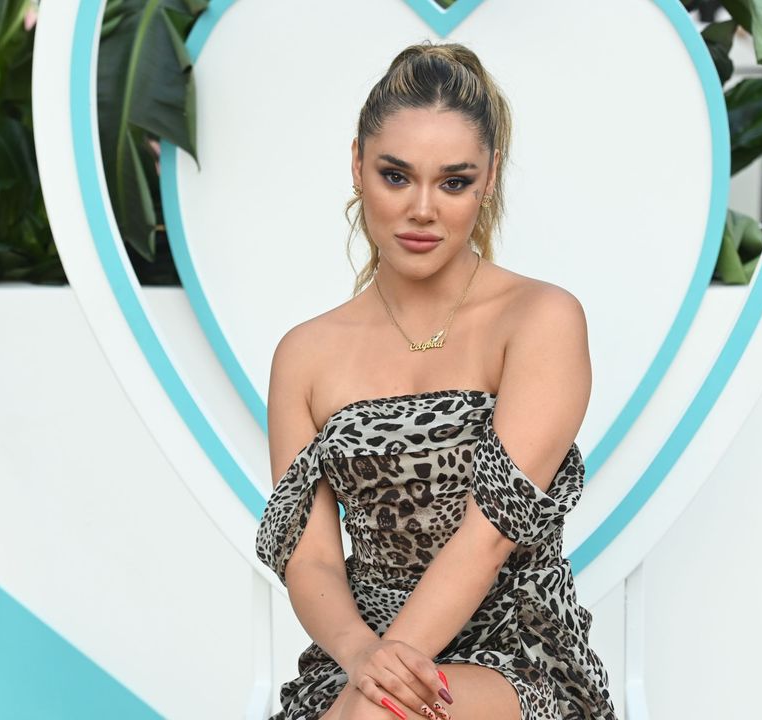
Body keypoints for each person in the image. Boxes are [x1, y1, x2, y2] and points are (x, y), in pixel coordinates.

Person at [255, 41, 618, 720]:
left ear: (488, 179)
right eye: (397, 176)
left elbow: (486, 540)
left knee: (381, 714)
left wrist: (378, 686)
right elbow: (311, 564)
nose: (423, 208)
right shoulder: (304, 355)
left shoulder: (540, 320)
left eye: (453, 181)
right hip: (354, 657)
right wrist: (364, 659)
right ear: (357, 166)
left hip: (518, 660)